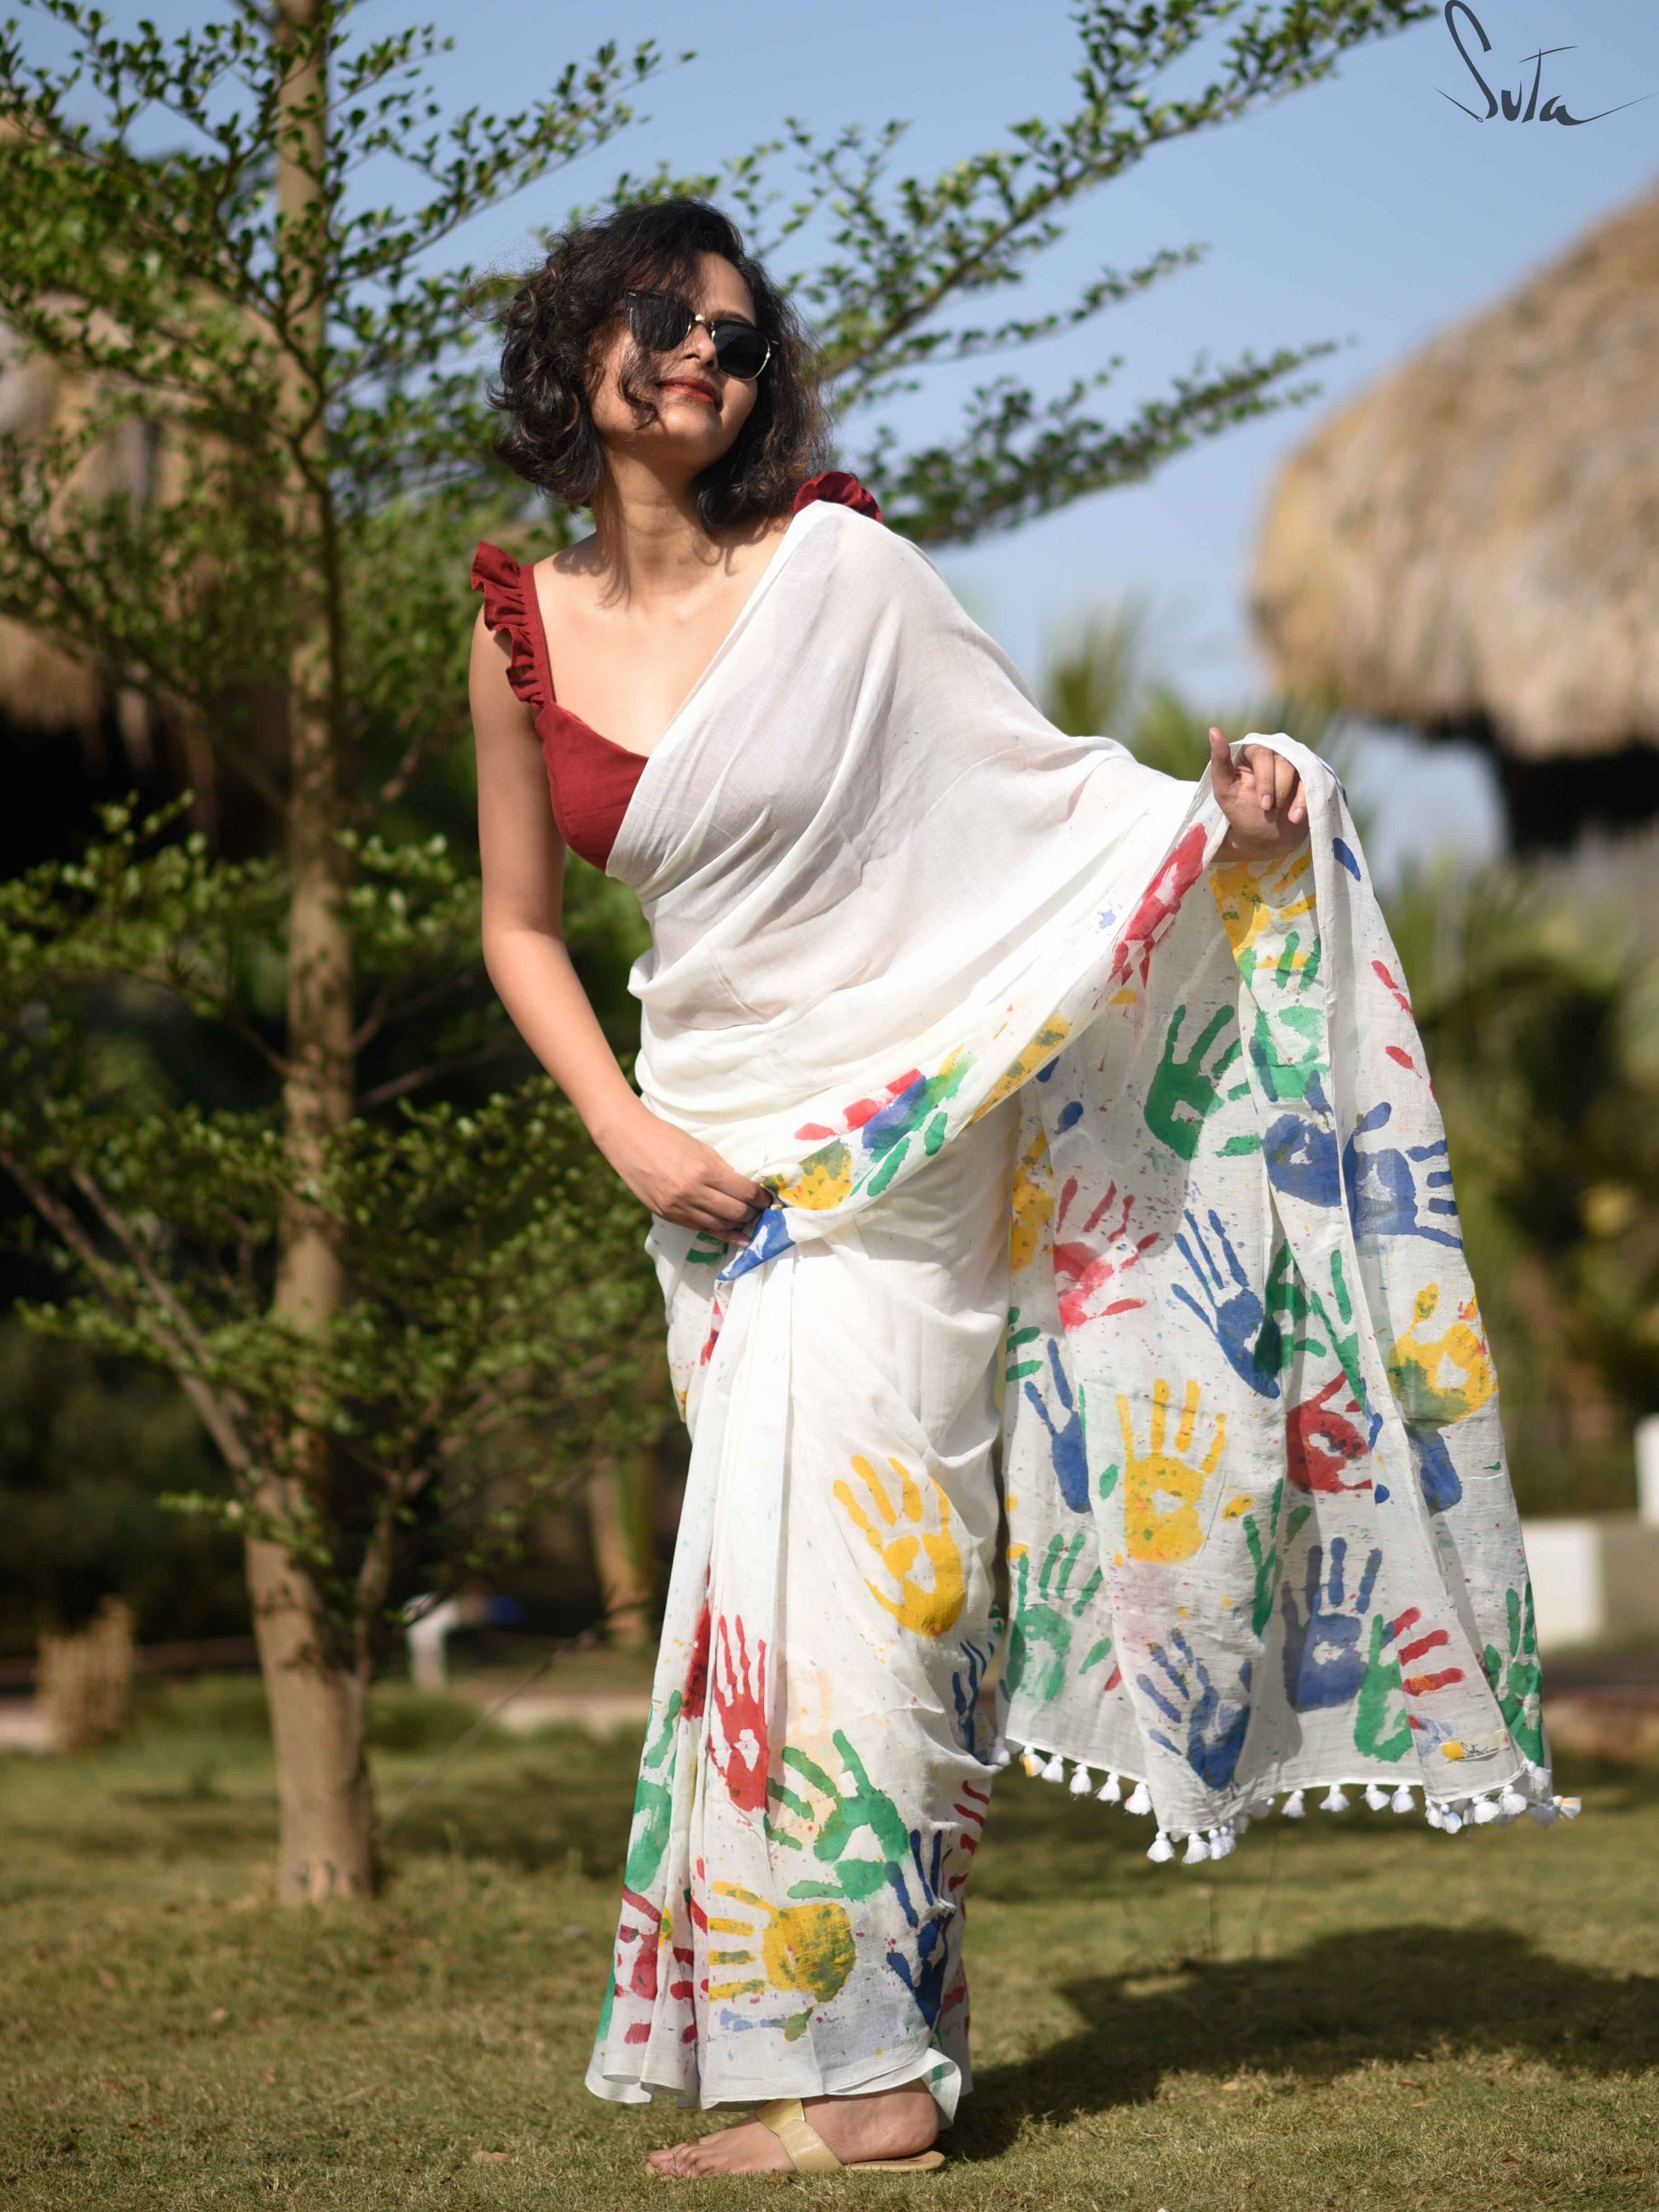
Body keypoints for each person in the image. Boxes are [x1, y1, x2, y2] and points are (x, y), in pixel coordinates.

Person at [469, 200, 1555, 2180]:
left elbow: (1042, 805)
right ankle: (849, 2043)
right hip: (705, 1163)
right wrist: (621, 1125)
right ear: (574, 338)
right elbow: (517, 924)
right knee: (767, 1606)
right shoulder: (515, 627)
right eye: (659, 315)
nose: (700, 351)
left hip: (894, 1156)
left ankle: (871, 2074)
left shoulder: (844, 575)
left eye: (733, 333)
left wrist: (1225, 827)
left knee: (889, 1597)